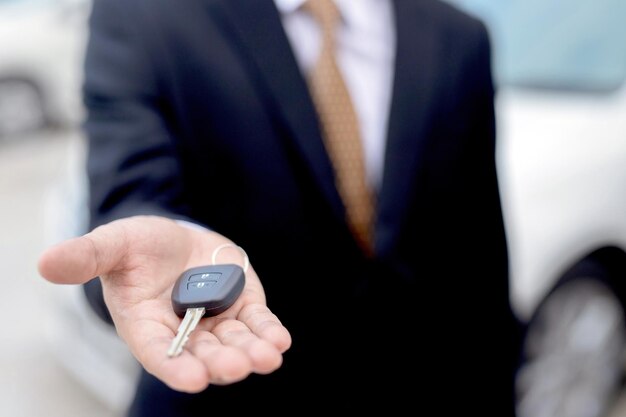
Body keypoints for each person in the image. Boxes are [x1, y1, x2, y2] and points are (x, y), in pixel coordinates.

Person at [38, 0, 521, 414]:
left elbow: (480, 261)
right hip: (228, 398)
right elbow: (130, 186)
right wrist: (151, 244)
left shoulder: (459, 36)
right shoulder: (142, 14)